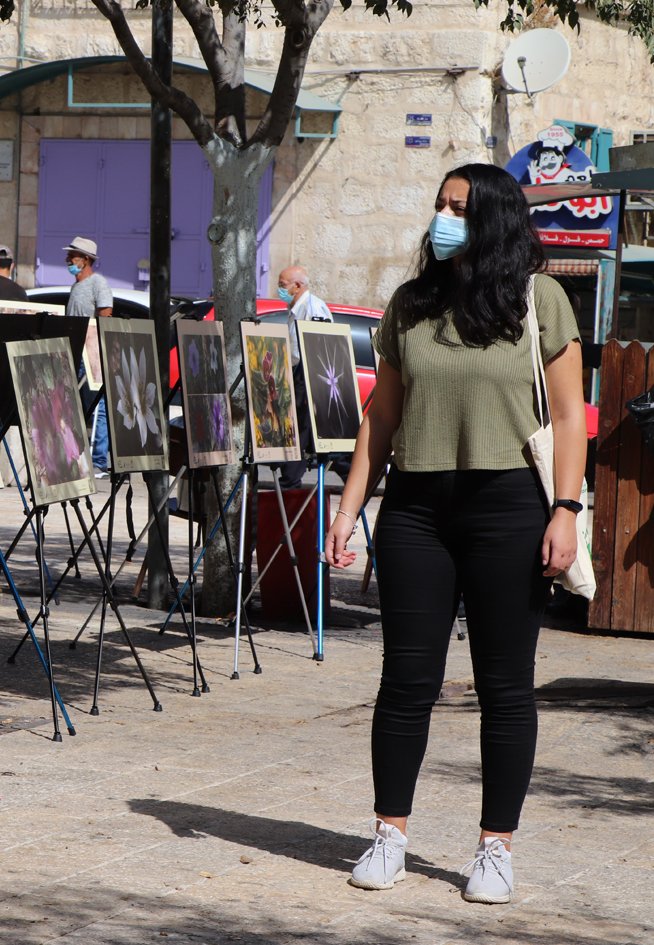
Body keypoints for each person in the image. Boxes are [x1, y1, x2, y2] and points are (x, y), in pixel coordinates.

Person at [324, 163, 584, 905]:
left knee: (504, 687)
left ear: (493, 218)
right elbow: (381, 416)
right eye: (437, 204)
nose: (442, 217)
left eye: (458, 207)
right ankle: (387, 835)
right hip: (414, 508)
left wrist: (563, 508)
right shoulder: (409, 305)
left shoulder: (540, 301)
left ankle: (494, 848)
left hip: (508, 505)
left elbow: (568, 416)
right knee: (405, 680)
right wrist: (348, 510)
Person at [276, 265, 335, 489]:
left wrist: (308, 386)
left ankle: (289, 483)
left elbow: (318, 349)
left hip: (307, 376)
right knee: (300, 434)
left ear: (297, 286)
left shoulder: (313, 308)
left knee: (302, 433)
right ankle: (289, 481)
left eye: (283, 285)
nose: (280, 290)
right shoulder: (295, 310)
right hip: (295, 376)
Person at [63, 237, 113, 476]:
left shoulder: (97, 283)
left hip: (92, 354)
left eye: (72, 256)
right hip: (75, 353)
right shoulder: (75, 287)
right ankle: (77, 456)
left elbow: (106, 313)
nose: (67, 260)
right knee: (76, 405)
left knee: (99, 406)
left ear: (85, 259)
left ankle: (99, 460)